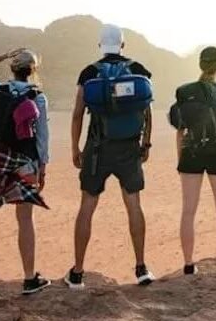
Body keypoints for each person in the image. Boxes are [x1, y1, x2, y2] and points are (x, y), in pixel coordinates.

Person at [66, 24, 154, 288]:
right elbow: (147, 112)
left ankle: (77, 273)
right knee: (134, 205)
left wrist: (75, 148)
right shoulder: (138, 70)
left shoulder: (89, 72)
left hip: (97, 149)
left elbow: (77, 114)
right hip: (129, 148)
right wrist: (146, 144)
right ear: (122, 45)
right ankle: (141, 268)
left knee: (87, 206)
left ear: (100, 45)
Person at [0, 47, 51, 295]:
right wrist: (42, 167)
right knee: (25, 219)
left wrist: (4, 55)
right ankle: (29, 279)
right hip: (25, 164)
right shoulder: (38, 98)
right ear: (32, 71)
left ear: (12, 69)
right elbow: (42, 137)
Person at [173, 46, 216, 278]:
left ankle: (188, 265)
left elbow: (180, 131)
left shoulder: (186, 92)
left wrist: (180, 158)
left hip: (191, 153)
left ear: (200, 64)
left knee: (188, 211)